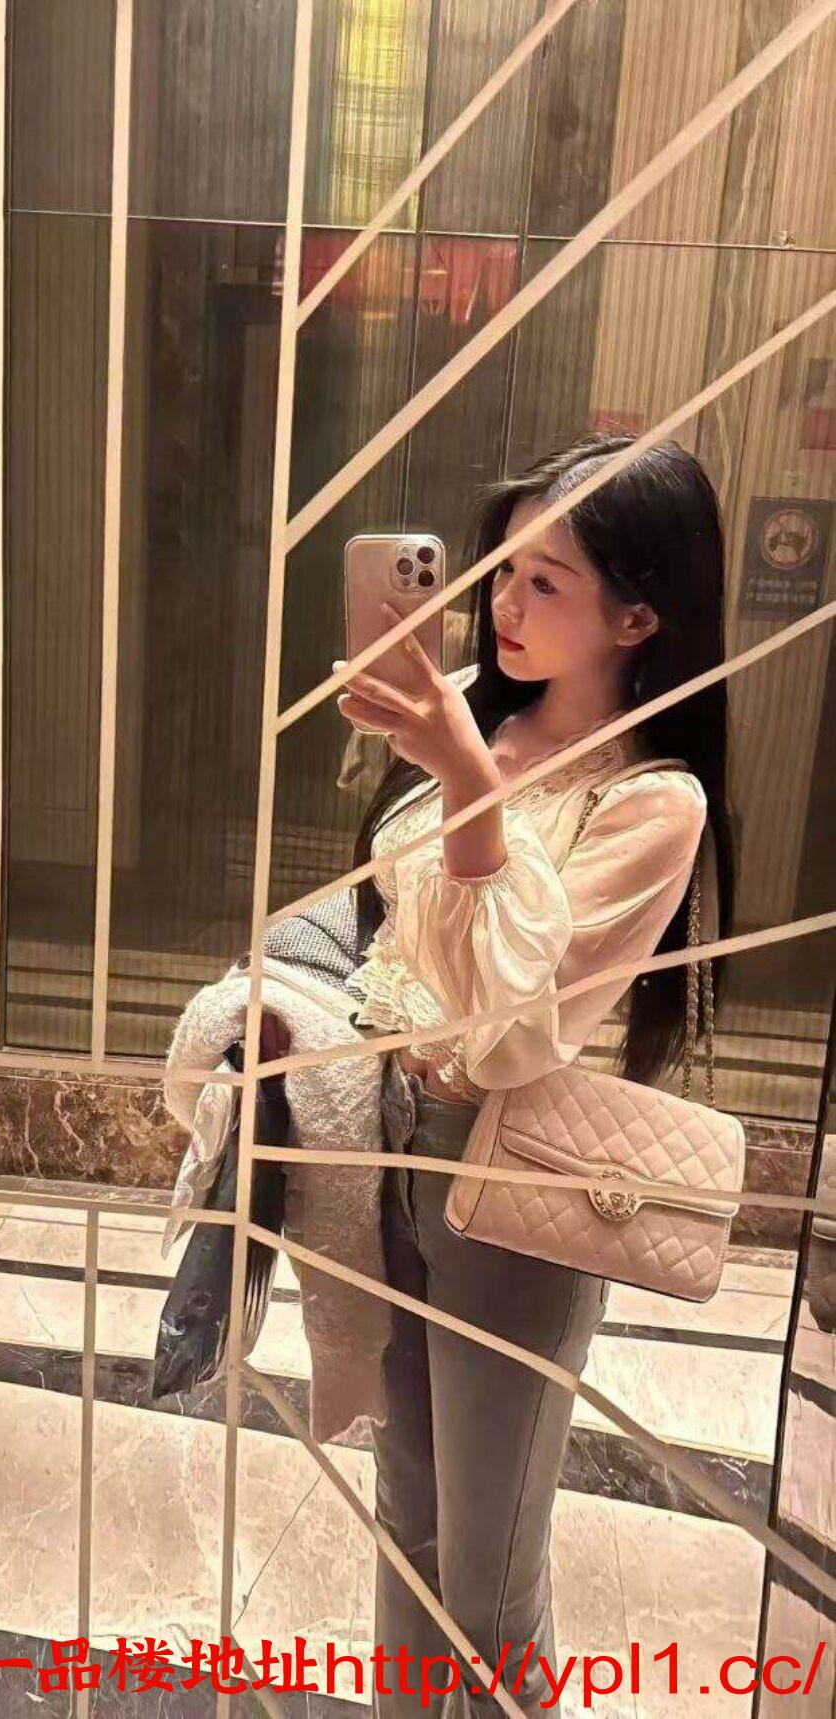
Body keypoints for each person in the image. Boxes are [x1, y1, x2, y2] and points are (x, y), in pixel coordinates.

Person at [322, 433, 736, 1715]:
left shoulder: (652, 802)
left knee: (490, 1578)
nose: (504, 603)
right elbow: (388, 925)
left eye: (545, 581)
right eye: (501, 569)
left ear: (638, 616)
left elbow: (513, 1032)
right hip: (386, 1143)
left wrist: (465, 783)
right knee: (406, 1516)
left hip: (508, 1184)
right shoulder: (477, 715)